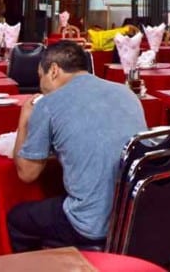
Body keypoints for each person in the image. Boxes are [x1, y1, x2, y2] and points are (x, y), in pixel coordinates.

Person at [8, 40, 146, 252]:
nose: (40, 85)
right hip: (134, 215)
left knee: (17, 219)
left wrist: (24, 119)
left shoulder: (47, 104)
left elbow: (27, 173)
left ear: (53, 70)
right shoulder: (127, 93)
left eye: (40, 76)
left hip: (89, 223)